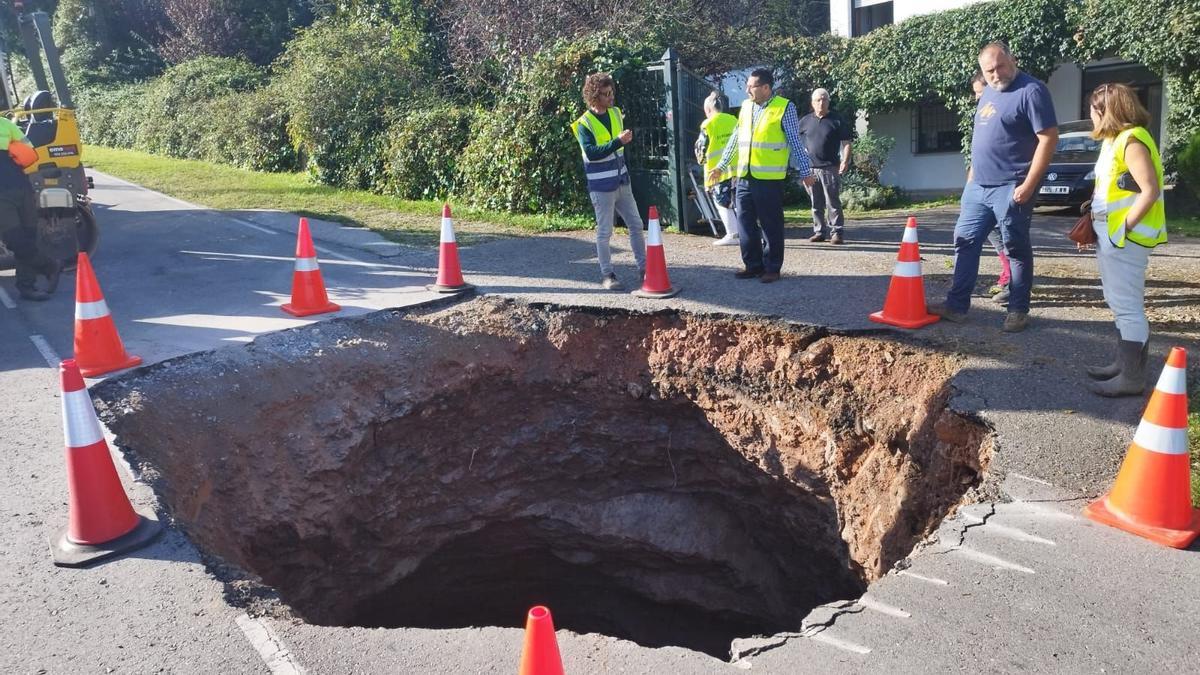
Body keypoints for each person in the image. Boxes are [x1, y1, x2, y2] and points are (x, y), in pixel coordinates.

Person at [929, 42, 1058, 332]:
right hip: (979, 186)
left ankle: (1018, 310)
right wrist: (971, 177)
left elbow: (1048, 138)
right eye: (989, 70)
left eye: (1001, 66)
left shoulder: (1031, 91)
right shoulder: (988, 91)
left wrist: (1028, 184)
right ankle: (957, 306)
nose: (996, 74)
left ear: (1012, 59)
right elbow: (983, 137)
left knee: (1015, 247)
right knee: (965, 240)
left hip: (1011, 185)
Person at [1081, 83, 1166, 397]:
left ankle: (1131, 378)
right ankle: (1124, 365)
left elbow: (1150, 190)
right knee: (1120, 304)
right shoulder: (1116, 141)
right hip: (1113, 236)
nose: (1090, 115)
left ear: (1106, 111)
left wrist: (1123, 229)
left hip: (1125, 239)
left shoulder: (1131, 140)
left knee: (1128, 307)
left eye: (1093, 108)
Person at [709, 68, 815, 284]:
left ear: (766, 88)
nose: (747, 90)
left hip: (769, 178)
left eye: (752, 86)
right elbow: (735, 138)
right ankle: (752, 265)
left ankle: (772, 267)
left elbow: (795, 141)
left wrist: (806, 171)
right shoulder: (747, 107)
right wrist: (721, 165)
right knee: (745, 222)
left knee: (770, 223)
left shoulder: (784, 107)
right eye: (747, 86)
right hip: (745, 176)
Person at [572, 72, 647, 291]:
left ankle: (644, 269)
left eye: (611, 92)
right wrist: (618, 142)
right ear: (594, 97)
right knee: (604, 232)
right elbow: (592, 152)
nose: (610, 97)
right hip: (601, 186)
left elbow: (618, 147)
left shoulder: (615, 113)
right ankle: (608, 275)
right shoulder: (583, 124)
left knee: (636, 224)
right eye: (605, 94)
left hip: (622, 181)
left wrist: (622, 141)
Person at [0, 116, 56, 301]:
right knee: (16, 240)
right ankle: (50, 266)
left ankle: (27, 286)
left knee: (29, 236)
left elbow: (29, 151)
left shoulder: (5, 124)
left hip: (21, 186)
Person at [970, 71, 1014, 304]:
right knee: (991, 233)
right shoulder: (982, 114)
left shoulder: (1006, 109)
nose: (977, 98)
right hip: (981, 184)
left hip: (1004, 185)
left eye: (979, 92)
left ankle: (1011, 283)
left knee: (1007, 236)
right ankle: (1007, 277)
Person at [798, 88, 852, 244]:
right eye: (818, 100)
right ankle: (819, 232)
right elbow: (795, 140)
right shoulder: (805, 121)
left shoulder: (836, 120)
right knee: (816, 202)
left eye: (824, 99)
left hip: (829, 167)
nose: (821, 102)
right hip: (810, 168)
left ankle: (837, 233)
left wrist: (845, 160)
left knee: (832, 201)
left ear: (828, 102)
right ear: (812, 103)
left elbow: (847, 143)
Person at [695, 92, 740, 247]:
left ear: (708, 109)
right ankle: (745, 233)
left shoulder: (708, 124)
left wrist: (700, 160)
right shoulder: (733, 120)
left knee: (722, 203)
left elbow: (701, 148)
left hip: (717, 171)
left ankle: (733, 234)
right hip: (737, 169)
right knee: (739, 203)